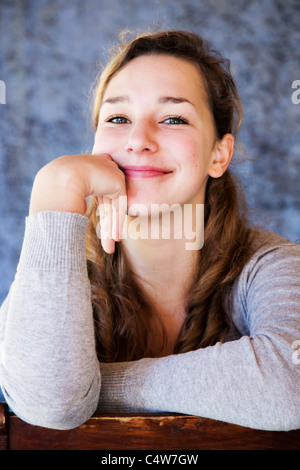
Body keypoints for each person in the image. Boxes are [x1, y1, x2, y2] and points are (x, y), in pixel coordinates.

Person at [0, 30, 300, 431]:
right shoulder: (55, 279)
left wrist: (95, 388)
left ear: (219, 154)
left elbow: (290, 384)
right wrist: (56, 188)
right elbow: (52, 406)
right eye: (118, 118)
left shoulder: (270, 265)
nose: (138, 139)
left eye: (173, 118)